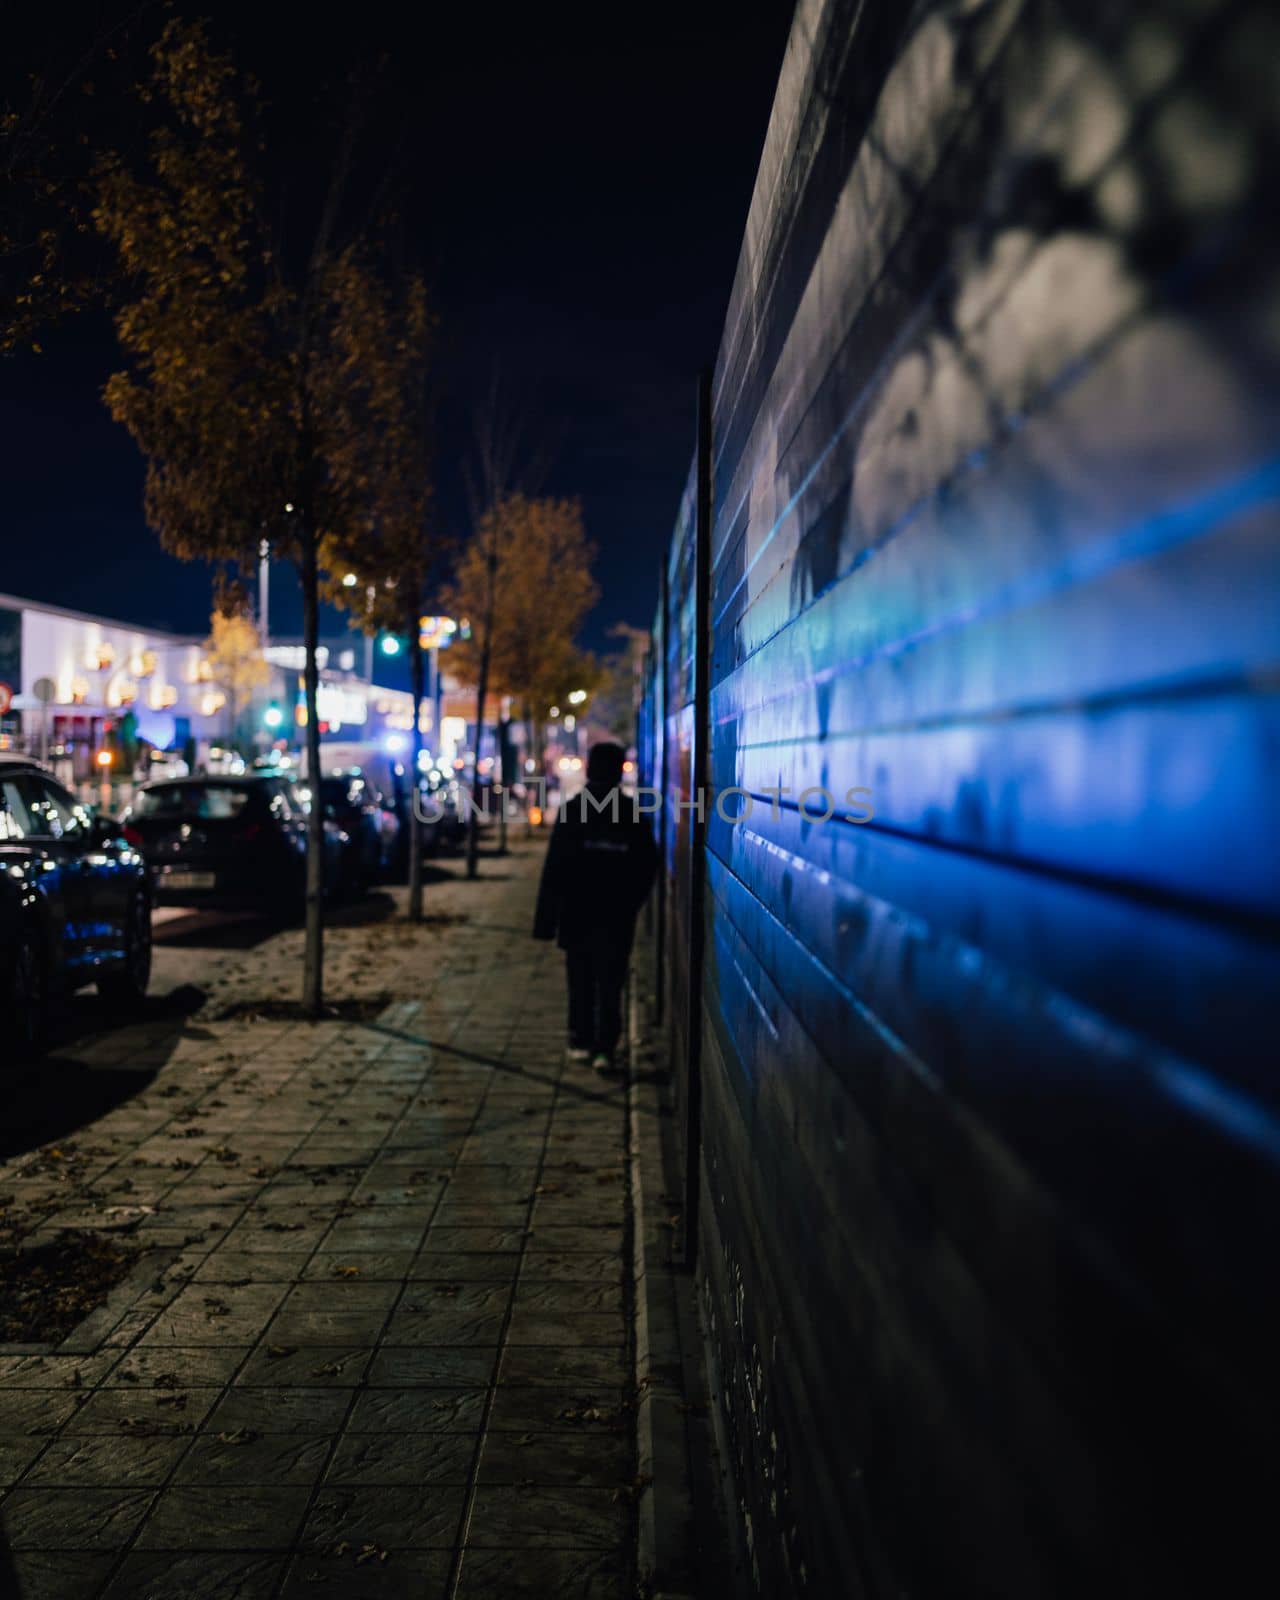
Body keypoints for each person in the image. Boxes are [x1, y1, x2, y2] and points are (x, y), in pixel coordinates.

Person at [533, 740, 658, 1071]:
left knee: (581, 977)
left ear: (589, 769)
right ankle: (605, 1047)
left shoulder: (573, 810)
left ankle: (581, 1040)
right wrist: (631, 903)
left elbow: (555, 867)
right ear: (619, 772)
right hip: (616, 916)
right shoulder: (632, 814)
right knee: (611, 979)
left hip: (577, 912)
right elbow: (647, 866)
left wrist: (546, 921)